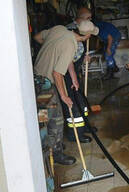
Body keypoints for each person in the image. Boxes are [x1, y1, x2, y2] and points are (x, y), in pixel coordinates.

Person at [33, 21, 98, 165]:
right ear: (87, 36)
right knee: (55, 119)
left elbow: (37, 37)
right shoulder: (71, 45)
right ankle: (55, 153)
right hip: (45, 84)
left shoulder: (59, 29)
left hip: (36, 78)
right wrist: (64, 96)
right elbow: (57, 74)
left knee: (43, 117)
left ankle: (51, 145)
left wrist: (50, 50)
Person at [64, 7, 97, 142]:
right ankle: (75, 134)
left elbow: (77, 54)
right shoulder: (70, 31)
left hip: (75, 72)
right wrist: (73, 78)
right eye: (89, 18)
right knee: (74, 102)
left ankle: (84, 126)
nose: (90, 21)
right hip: (67, 73)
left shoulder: (81, 29)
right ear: (81, 19)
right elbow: (67, 60)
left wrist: (83, 58)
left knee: (82, 102)